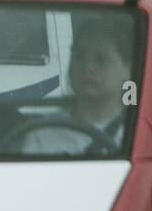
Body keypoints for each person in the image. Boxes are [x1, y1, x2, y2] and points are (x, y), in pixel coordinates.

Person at [21, 19, 134, 155]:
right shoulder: (43, 131)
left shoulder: (136, 133)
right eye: (79, 56)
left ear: (129, 70)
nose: (88, 67)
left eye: (101, 60)